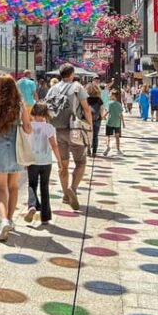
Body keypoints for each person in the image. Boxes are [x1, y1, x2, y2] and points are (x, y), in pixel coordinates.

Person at [0, 76, 32, 241]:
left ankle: (2, 221)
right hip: (16, 149)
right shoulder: (19, 105)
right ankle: (9, 219)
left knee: (0, 189)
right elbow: (28, 128)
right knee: (13, 186)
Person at [47, 63, 92, 210]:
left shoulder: (53, 88)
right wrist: (90, 126)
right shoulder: (77, 87)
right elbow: (86, 108)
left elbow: (47, 108)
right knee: (80, 162)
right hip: (75, 129)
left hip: (58, 130)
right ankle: (73, 187)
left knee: (63, 165)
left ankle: (65, 194)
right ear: (72, 74)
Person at [22, 103, 62, 226]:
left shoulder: (28, 126)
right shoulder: (49, 127)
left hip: (32, 161)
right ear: (45, 114)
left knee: (32, 184)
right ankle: (45, 217)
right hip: (46, 162)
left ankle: (32, 206)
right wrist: (59, 161)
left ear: (33, 113)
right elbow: (54, 145)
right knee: (44, 188)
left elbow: (25, 145)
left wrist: (24, 160)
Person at [85, 82, 104, 156]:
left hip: (87, 119)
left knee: (87, 135)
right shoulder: (99, 99)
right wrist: (101, 116)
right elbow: (102, 109)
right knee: (95, 136)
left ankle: (88, 149)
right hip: (97, 119)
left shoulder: (86, 99)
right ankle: (94, 152)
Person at [103, 89, 124, 156]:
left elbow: (107, 111)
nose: (109, 95)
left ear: (113, 95)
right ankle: (118, 149)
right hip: (117, 122)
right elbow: (120, 114)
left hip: (109, 121)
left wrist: (103, 116)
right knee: (117, 136)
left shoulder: (109, 103)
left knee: (108, 135)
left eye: (110, 94)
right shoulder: (119, 104)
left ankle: (107, 146)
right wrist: (123, 122)